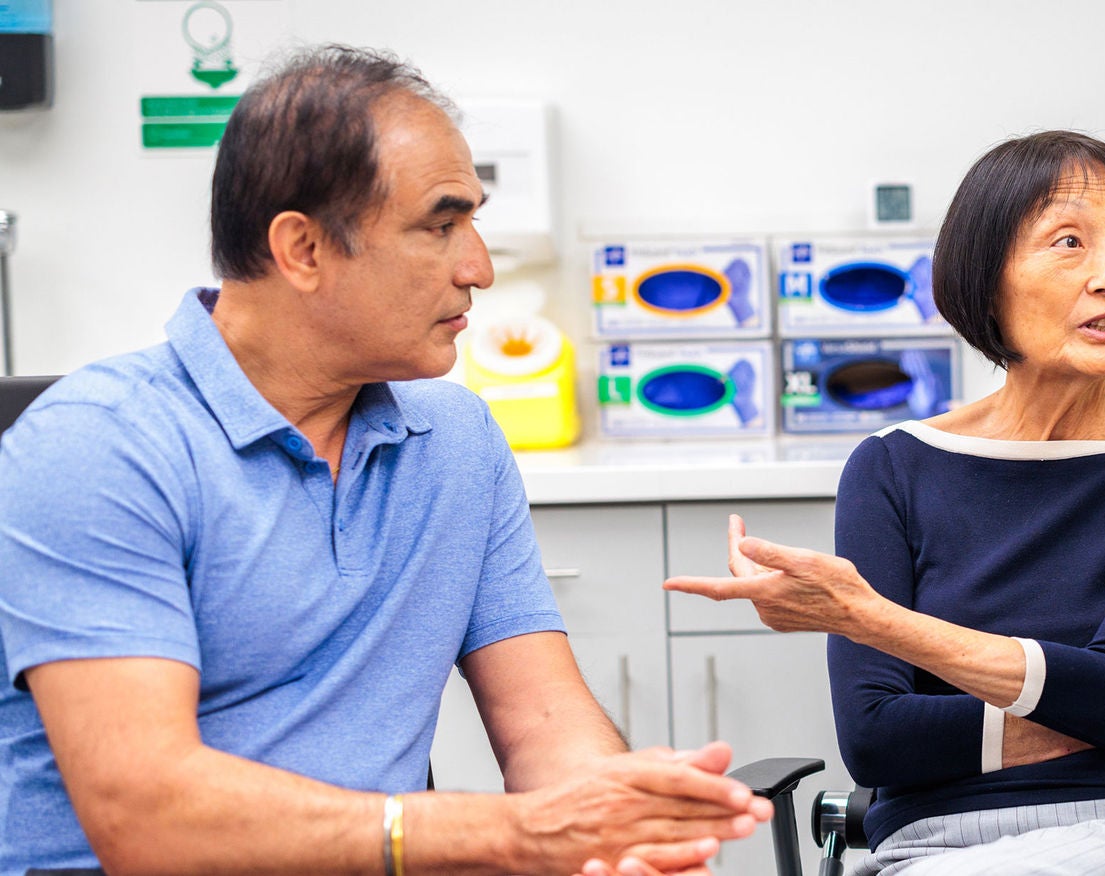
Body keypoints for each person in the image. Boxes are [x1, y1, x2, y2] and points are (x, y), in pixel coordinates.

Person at [0, 46, 771, 876]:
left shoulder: (456, 440)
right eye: (440, 227)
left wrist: (609, 825)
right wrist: (512, 833)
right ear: (303, 250)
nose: (478, 269)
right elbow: (148, 819)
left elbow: (544, 718)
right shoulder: (99, 448)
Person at [667, 131, 1105, 876]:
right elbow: (877, 740)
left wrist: (868, 617)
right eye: (1069, 242)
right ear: (985, 281)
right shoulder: (893, 468)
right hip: (929, 846)